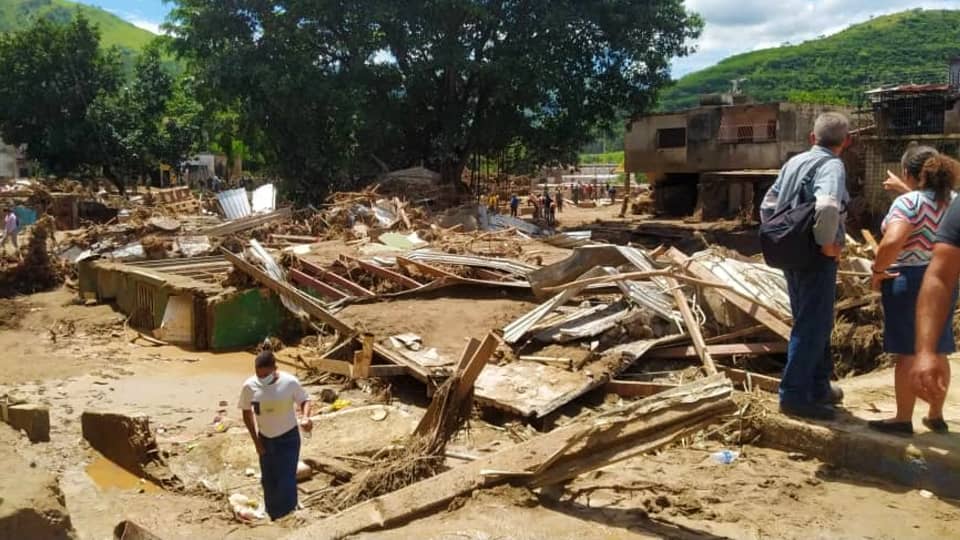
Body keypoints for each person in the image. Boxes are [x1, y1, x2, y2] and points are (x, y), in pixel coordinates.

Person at [759, 112, 852, 420]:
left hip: (793, 254)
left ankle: (819, 385)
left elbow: (767, 204)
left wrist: (781, 234)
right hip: (815, 256)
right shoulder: (833, 165)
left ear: (813, 138)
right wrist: (827, 245)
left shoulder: (794, 162)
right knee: (813, 325)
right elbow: (827, 205)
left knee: (812, 320)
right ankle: (795, 395)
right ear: (846, 142)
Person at [868, 146, 959, 436]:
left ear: (910, 174)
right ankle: (935, 415)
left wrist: (878, 270)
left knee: (908, 351)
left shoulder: (908, 203)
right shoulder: (954, 201)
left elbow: (893, 240)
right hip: (946, 279)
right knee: (938, 348)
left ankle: (902, 419)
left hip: (908, 280)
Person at [238, 351, 312, 520]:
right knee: (269, 480)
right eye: (258, 374)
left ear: (274, 369)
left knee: (286, 478)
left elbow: (305, 400)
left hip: (288, 438)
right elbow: (246, 413)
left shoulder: (289, 382)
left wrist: (306, 416)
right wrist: (257, 442)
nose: (261, 378)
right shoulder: (250, 386)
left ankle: (288, 517)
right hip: (265, 439)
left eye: (265, 374)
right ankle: (273, 515)